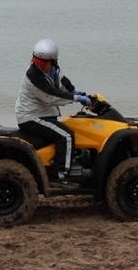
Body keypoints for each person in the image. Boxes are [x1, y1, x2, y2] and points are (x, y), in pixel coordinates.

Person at [15, 39, 91, 188]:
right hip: (30, 117)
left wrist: (76, 91)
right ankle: (59, 176)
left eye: (42, 62)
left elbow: (62, 81)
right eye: (36, 61)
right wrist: (77, 98)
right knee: (66, 136)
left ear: (53, 60)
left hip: (43, 114)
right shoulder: (34, 75)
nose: (38, 64)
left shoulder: (53, 69)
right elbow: (51, 96)